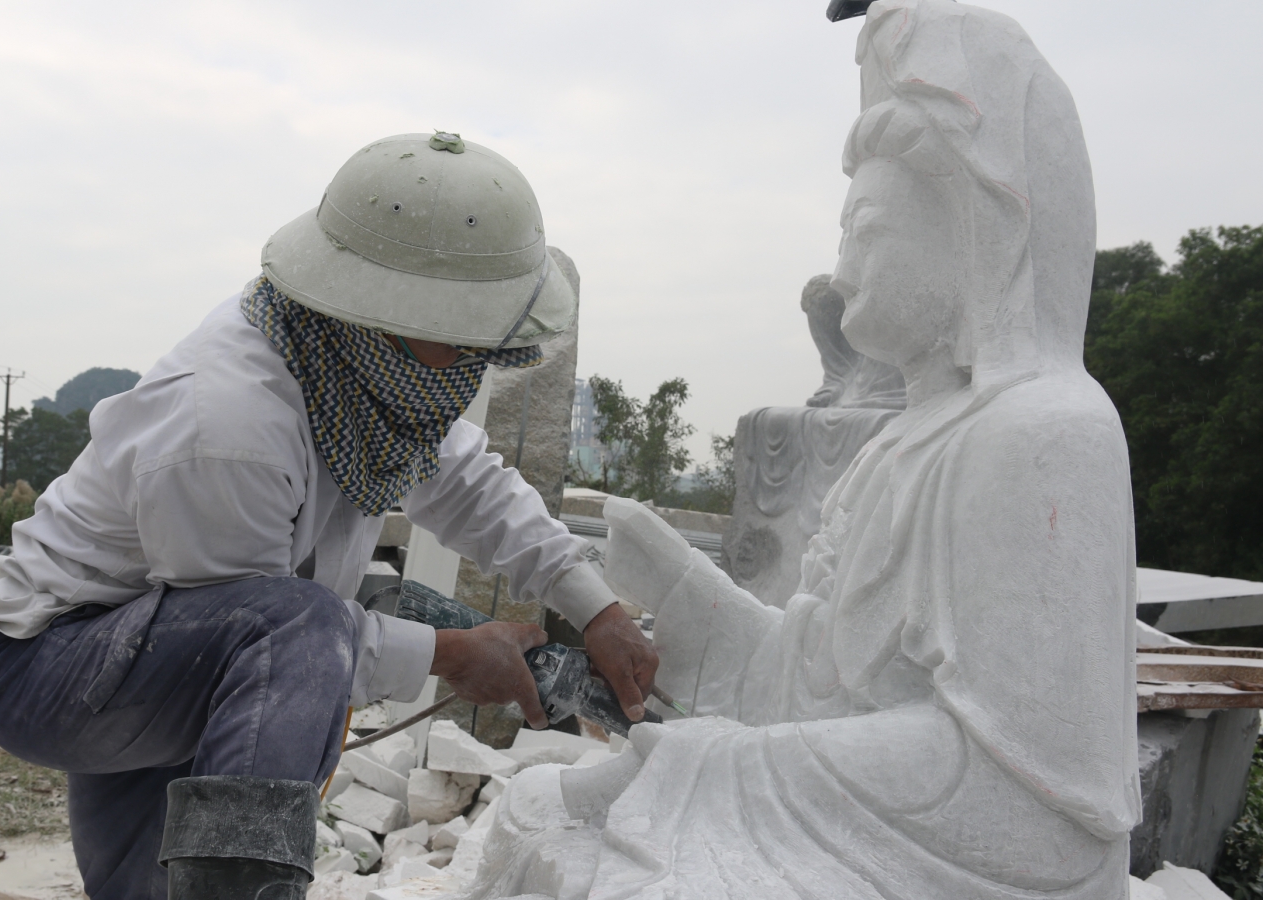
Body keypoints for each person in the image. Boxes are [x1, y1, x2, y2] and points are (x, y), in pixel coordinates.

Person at [466, 3, 1138, 898]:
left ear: (971, 236)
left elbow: (1034, 808)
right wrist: (685, 587)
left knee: (637, 819)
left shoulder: (1046, 432)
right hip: (854, 800)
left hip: (983, 856)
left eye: (868, 234)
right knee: (553, 805)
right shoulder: (904, 442)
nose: (842, 274)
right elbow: (816, 682)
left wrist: (715, 764)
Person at [0, 131, 658, 900]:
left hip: (160, 632)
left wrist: (594, 608)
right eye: (462, 339)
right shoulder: (230, 420)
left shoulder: (359, 371)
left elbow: (467, 484)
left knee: (151, 877)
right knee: (310, 627)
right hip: (46, 665)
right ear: (383, 311)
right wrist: (453, 655)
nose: (475, 360)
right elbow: (267, 637)